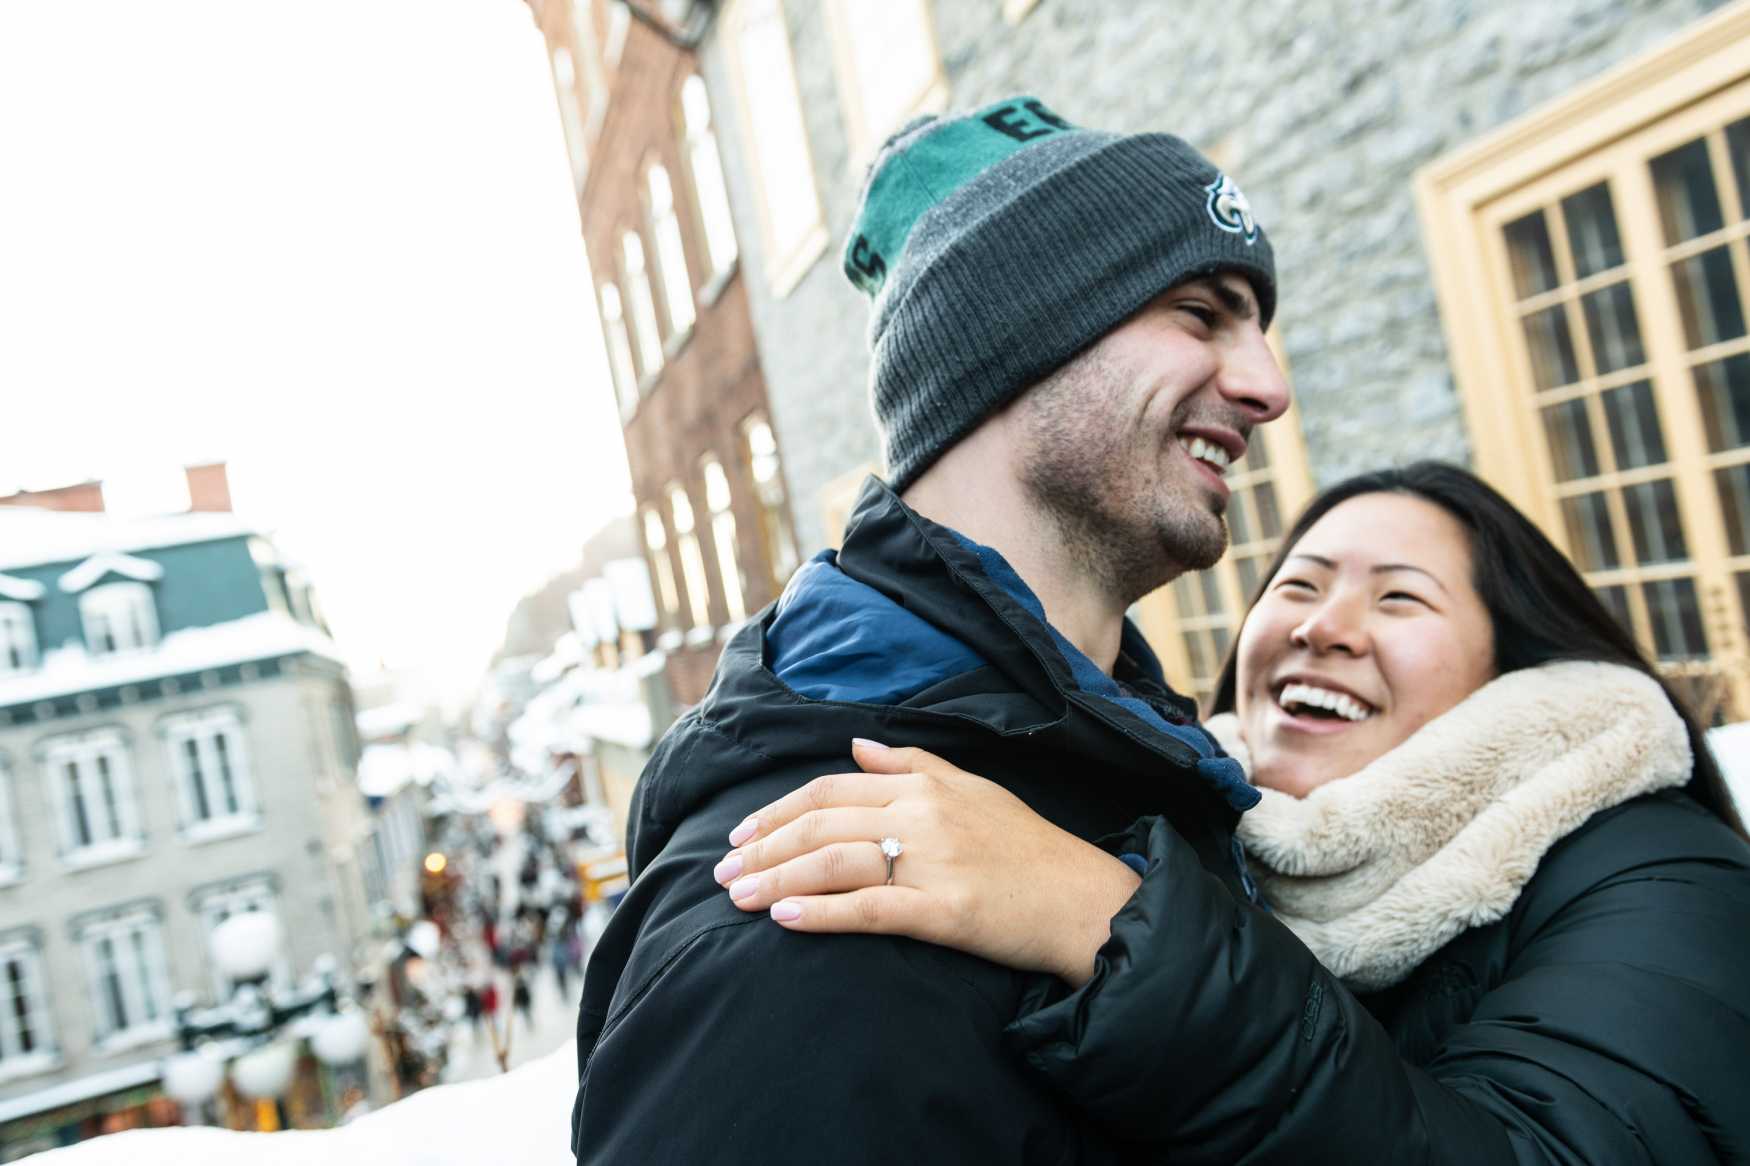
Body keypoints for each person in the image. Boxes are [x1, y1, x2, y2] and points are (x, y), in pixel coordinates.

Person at [570, 94, 1289, 1163]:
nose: (1269, 387)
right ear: (1015, 338)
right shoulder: (799, 921)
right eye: (1199, 312)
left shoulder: (1135, 763)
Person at [717, 462, 1750, 1163]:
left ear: (1513, 667)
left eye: (1398, 598)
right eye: (1296, 585)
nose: (1322, 628)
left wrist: (1113, 924)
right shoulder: (1190, 832)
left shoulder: (1664, 875)